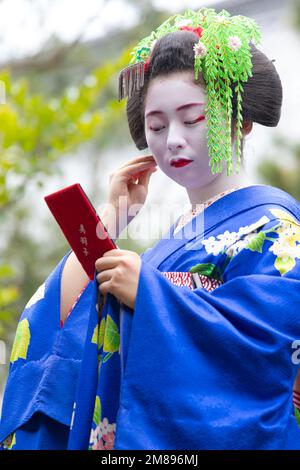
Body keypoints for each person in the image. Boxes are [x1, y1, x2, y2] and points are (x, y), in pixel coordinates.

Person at [1, 7, 300, 450]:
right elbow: (57, 323)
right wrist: (113, 216)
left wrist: (151, 295)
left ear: (242, 120)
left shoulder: (277, 227)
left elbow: (269, 347)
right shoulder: (165, 246)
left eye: (192, 118)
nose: (172, 139)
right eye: (155, 125)